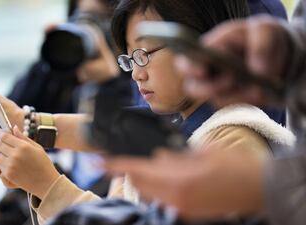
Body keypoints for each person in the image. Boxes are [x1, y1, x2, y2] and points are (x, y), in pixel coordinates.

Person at [106, 1, 306, 225]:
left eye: (144, 53)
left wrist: (266, 188)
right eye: (131, 59)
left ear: (199, 43)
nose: (136, 74)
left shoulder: (233, 140)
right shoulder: (187, 127)